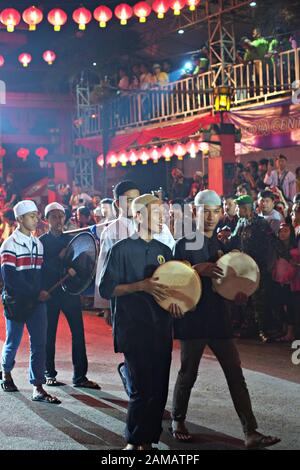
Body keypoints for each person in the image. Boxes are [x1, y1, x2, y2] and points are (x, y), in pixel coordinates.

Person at [171, 190, 280, 449]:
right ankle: (178, 420)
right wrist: (197, 271)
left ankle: (250, 431)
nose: (210, 217)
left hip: (220, 318)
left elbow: (229, 284)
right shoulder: (184, 243)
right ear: (195, 213)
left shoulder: (223, 245)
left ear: (220, 213)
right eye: (204, 211)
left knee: (235, 374)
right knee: (188, 373)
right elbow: (174, 281)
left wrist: (238, 295)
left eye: (214, 211)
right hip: (194, 318)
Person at [100, 194, 181, 450]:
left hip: (161, 328)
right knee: (141, 390)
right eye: (157, 212)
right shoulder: (121, 249)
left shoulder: (164, 251)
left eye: (163, 212)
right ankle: (134, 442)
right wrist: (140, 286)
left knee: (159, 389)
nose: (163, 217)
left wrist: (177, 303)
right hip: (133, 328)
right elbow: (106, 289)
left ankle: (149, 439)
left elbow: (171, 287)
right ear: (138, 215)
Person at [0, 200, 60, 404]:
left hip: (36, 303)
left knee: (39, 344)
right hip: (16, 303)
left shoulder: (38, 244)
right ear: (19, 219)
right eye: (32, 216)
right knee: (13, 342)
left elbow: (40, 274)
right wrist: (37, 293)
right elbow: (10, 280)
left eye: (36, 215)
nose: (36, 219)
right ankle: (6, 373)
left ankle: (38, 386)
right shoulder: (9, 245)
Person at [40, 202, 100, 389]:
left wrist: (75, 268)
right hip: (51, 294)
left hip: (70, 293)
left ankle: (80, 376)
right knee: (48, 335)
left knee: (78, 334)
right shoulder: (41, 241)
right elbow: (40, 268)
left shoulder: (71, 239)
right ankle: (49, 374)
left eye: (61, 216)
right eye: (54, 217)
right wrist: (59, 259)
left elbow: (83, 262)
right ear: (47, 220)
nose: (58, 220)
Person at [223, 195, 277, 342]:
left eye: (239, 208)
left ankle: (263, 330)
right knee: (246, 297)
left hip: (259, 266)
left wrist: (265, 265)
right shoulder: (241, 222)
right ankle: (250, 328)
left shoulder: (261, 223)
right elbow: (234, 240)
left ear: (246, 208)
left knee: (260, 299)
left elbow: (269, 245)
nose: (237, 211)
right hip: (244, 267)